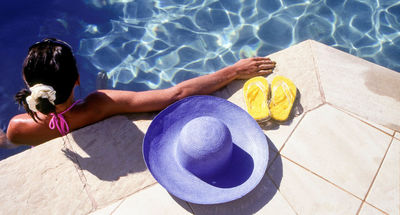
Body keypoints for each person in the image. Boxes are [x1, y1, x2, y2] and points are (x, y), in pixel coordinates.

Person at [5, 38, 276, 146]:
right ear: (77, 80)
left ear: (29, 85)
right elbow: (176, 95)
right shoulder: (100, 104)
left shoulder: (17, 128)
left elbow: (11, 139)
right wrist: (233, 71)